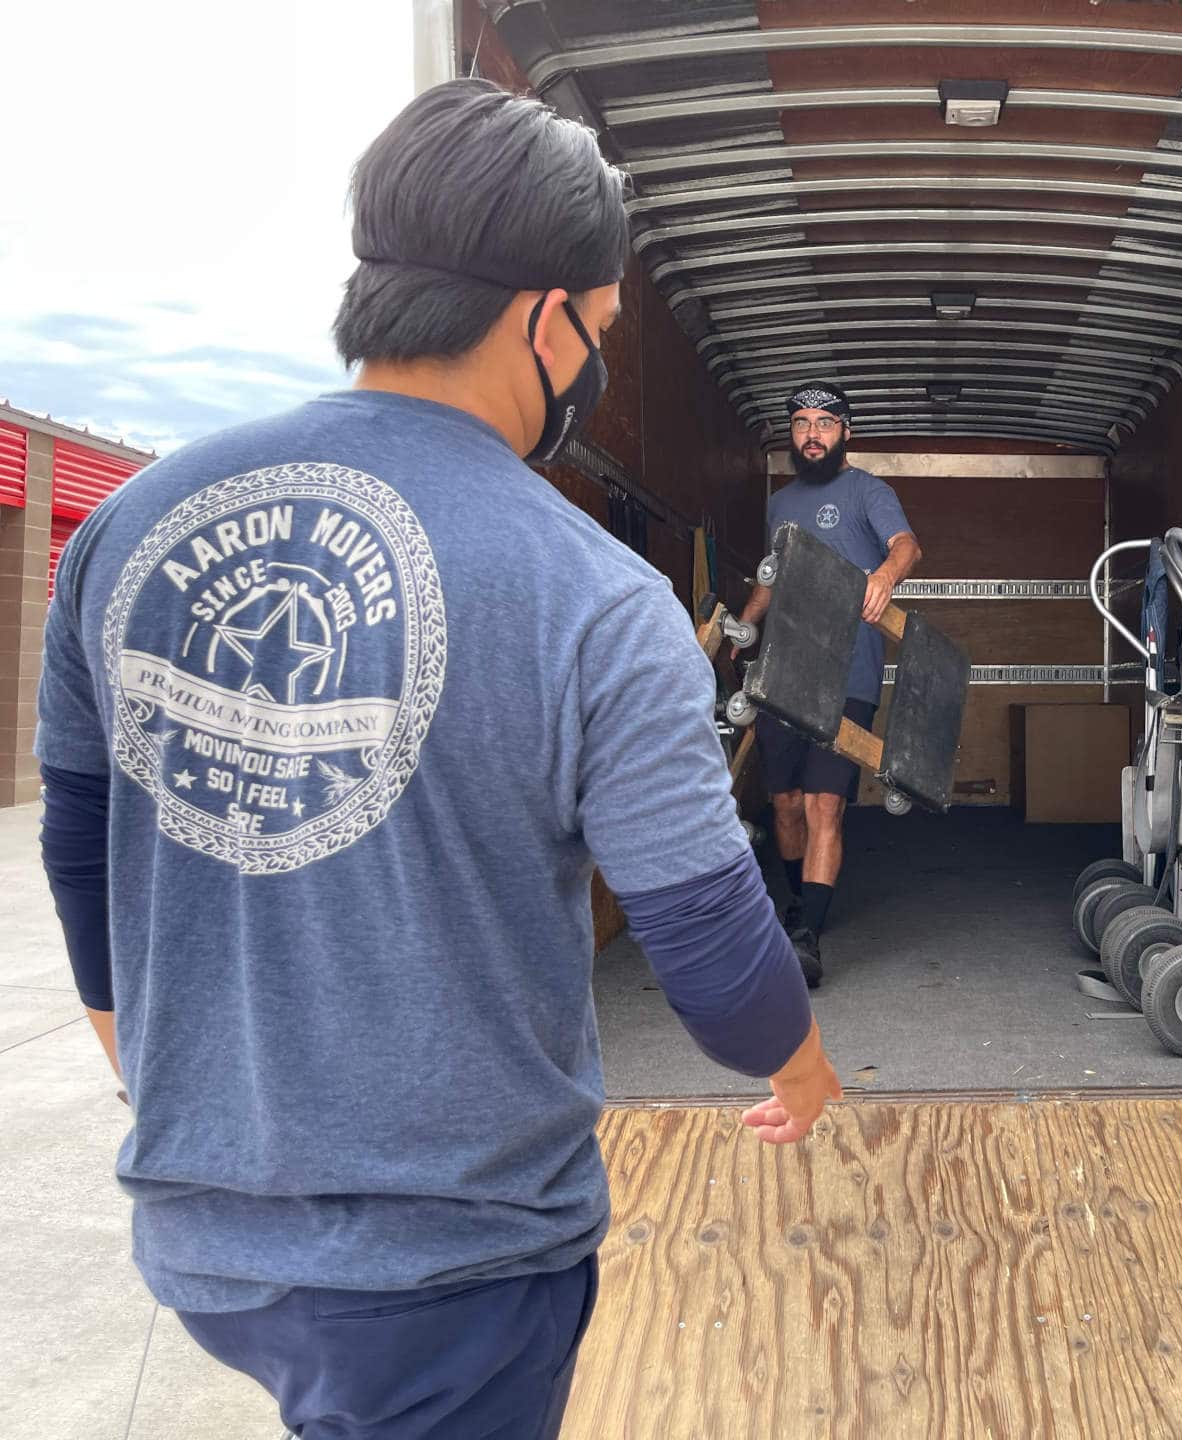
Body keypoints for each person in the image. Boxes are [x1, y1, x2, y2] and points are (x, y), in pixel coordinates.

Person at [34, 79, 839, 1440]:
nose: (593, 364)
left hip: (204, 1235)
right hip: (451, 1269)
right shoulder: (591, 592)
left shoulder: (131, 528)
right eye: (599, 330)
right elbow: (704, 933)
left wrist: (146, 1061)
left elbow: (78, 846)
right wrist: (800, 1065)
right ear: (543, 321)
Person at [734, 385, 922, 987]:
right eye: (800, 424)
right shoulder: (780, 502)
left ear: (846, 431)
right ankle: (800, 905)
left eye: (824, 423)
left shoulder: (869, 491)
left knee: (823, 805)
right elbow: (772, 575)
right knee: (785, 805)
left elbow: (906, 545)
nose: (811, 434)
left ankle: (808, 935)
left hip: (849, 675)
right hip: (782, 674)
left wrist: (885, 577)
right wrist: (744, 626)